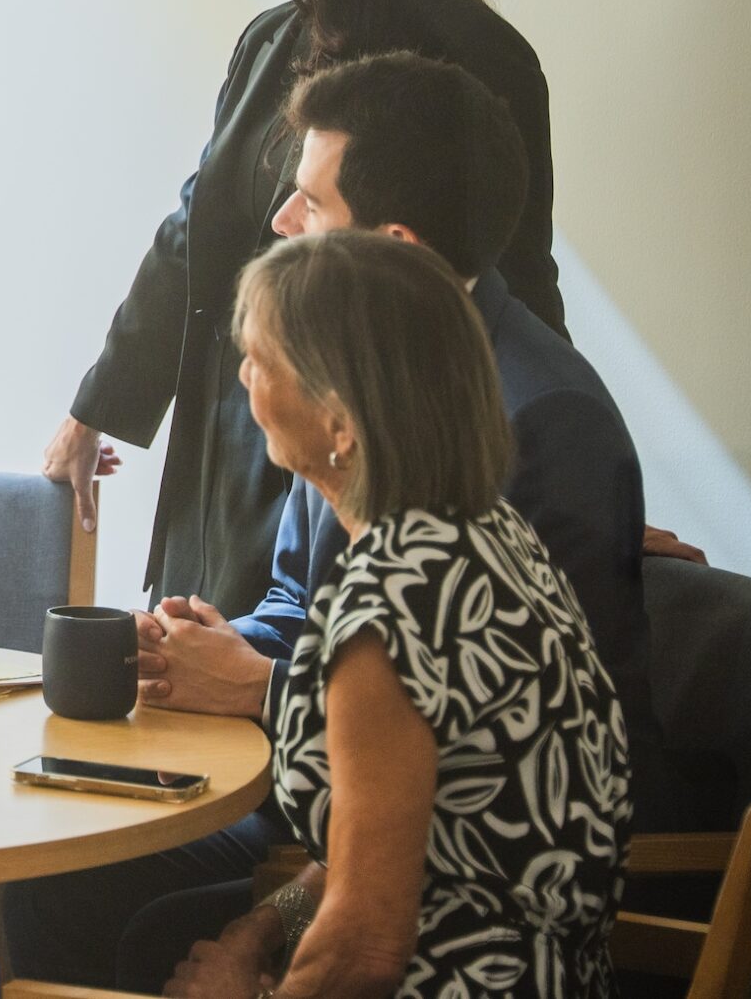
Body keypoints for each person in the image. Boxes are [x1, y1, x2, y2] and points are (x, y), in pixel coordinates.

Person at [1, 51, 651, 988]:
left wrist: (254, 971)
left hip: (454, 958)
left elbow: (376, 931)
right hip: (454, 911)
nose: (280, 225)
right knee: (76, 869)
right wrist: (209, 655)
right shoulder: (418, 463)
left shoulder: (523, 440)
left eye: (258, 360)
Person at [45, 0, 566, 620]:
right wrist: (92, 411)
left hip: (360, 449)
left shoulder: (477, 57)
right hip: (226, 441)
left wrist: (568, 484)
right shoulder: (269, 41)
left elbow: (514, 283)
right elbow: (193, 233)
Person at [166, 231, 629, 998]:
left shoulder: (386, 604)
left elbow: (367, 946)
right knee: (167, 930)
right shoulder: (485, 529)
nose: (244, 376)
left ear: (341, 420)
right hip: (552, 974)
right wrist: (264, 928)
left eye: (262, 361)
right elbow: (389, 836)